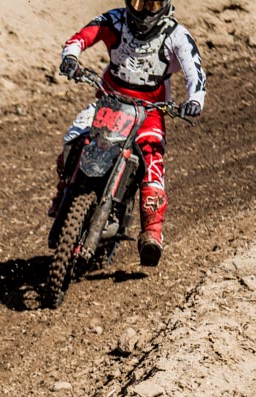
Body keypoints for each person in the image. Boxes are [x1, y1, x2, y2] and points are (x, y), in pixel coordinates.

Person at [50, 0, 206, 267]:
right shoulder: (114, 21)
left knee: (152, 163)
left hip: (149, 112)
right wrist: (71, 58)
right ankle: (63, 191)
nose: (144, 10)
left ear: (164, 4)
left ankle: (152, 233)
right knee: (74, 138)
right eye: (138, 2)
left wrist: (195, 100)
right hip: (108, 101)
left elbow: (195, 73)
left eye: (152, 4)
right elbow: (80, 38)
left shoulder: (176, 35)